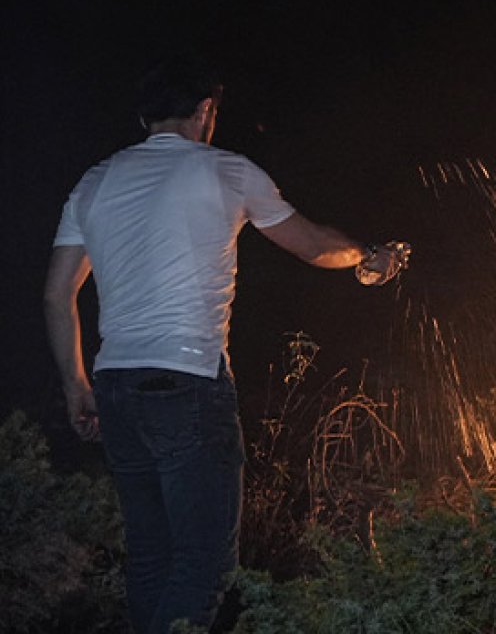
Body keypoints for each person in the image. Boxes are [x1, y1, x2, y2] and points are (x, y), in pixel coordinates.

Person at [42, 57, 408, 633]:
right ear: (206, 112)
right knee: (206, 565)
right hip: (187, 384)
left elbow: (57, 293)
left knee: (153, 558)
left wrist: (76, 385)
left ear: (145, 115)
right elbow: (313, 244)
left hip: (116, 388)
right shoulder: (228, 172)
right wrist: (368, 255)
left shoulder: (96, 181)